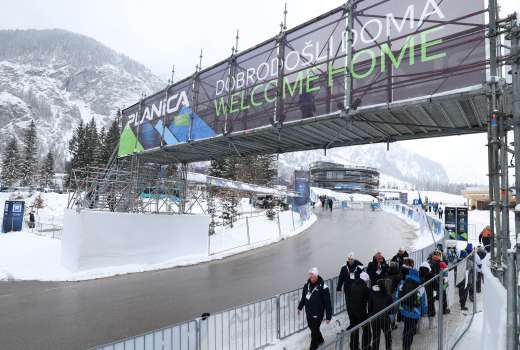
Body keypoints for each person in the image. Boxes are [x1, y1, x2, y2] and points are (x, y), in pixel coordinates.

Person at [297, 267, 332, 350]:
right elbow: (304, 298)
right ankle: (320, 340)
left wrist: (328, 317)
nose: (310, 277)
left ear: (316, 276)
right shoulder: (307, 285)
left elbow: (328, 303)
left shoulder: (324, 287)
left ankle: (313, 346)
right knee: (312, 327)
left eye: (312, 275)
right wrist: (300, 307)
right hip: (309, 312)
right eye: (310, 275)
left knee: (314, 331)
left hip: (318, 313)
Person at [397, 266, 428, 350]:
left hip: (404, 310)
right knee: (410, 330)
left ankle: (404, 346)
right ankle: (407, 347)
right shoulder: (421, 287)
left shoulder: (402, 283)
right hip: (415, 312)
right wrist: (424, 313)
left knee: (406, 328)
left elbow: (397, 296)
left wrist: (399, 308)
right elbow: (424, 302)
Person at [348, 271, 371, 350]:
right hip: (361, 313)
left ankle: (353, 347)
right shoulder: (365, 289)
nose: (367, 282)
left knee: (354, 329)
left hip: (351, 311)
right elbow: (370, 300)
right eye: (367, 280)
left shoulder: (353, 285)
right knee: (366, 330)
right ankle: (366, 347)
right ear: (365, 280)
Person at [368, 279, 393, 350]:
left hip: (374, 319)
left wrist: (371, 315)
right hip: (385, 318)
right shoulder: (387, 295)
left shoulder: (372, 294)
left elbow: (369, 307)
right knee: (388, 336)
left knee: (376, 337)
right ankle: (388, 348)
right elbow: (391, 308)